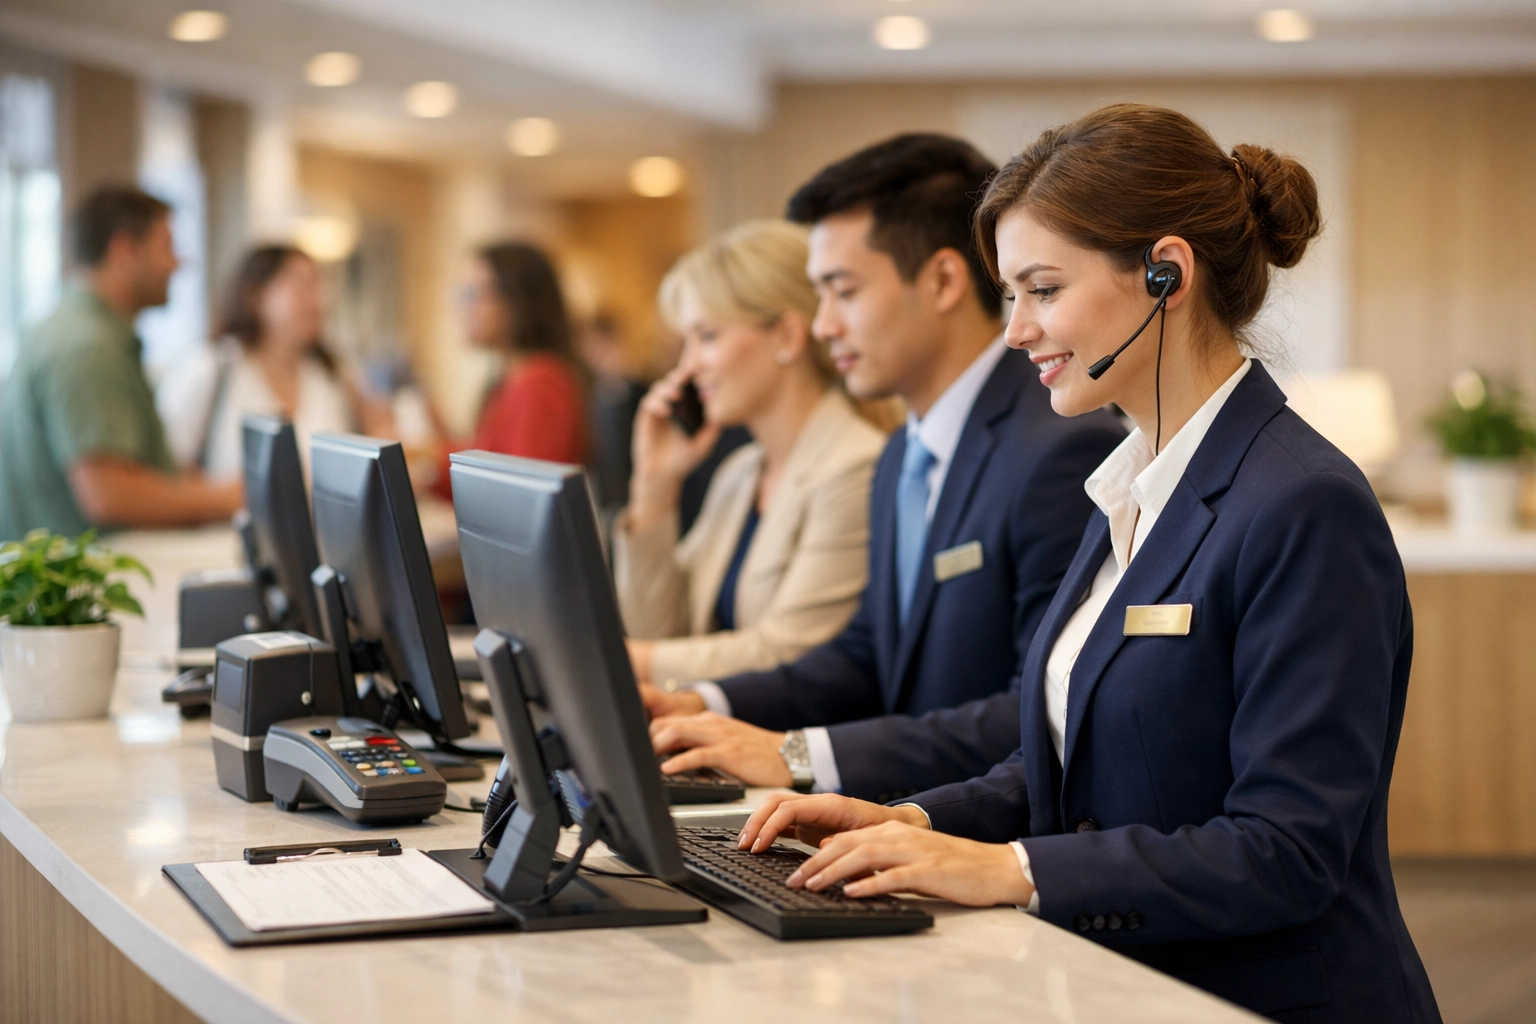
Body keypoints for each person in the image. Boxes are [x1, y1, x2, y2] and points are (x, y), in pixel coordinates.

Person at [736, 104, 1441, 1024]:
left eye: (1042, 289)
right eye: (1010, 296)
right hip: (1125, 985)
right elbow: (1075, 765)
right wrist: (910, 819)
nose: (1017, 330)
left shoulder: (1303, 503)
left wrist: (1010, 867)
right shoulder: (1131, 486)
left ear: (1165, 274)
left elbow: (1287, 849)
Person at [644, 136, 1123, 803]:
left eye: (843, 292)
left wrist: (798, 755)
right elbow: (865, 656)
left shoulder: (1060, 448)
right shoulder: (905, 448)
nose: (821, 327)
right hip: (898, 820)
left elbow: (1036, 708)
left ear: (944, 282)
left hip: (987, 841)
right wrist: (697, 700)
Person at [616, 219, 888, 685]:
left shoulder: (856, 466)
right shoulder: (741, 473)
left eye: (707, 337)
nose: (688, 367)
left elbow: (787, 652)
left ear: (787, 337)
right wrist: (654, 490)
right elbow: (659, 632)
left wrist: (626, 661)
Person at [0, 187, 243, 541]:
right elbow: (109, 495)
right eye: (167, 246)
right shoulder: (87, 347)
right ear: (125, 249)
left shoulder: (78, 330)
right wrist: (230, 497)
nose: (178, 262)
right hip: (80, 587)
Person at [157, 245, 392, 480]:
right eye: (302, 287)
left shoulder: (335, 376)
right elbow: (165, 469)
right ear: (256, 295)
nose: (318, 300)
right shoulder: (210, 368)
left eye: (319, 287)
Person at [431, 241, 586, 495]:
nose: (461, 306)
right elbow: (486, 468)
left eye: (472, 294)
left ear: (516, 300)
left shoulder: (540, 384)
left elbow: (517, 496)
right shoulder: (513, 377)